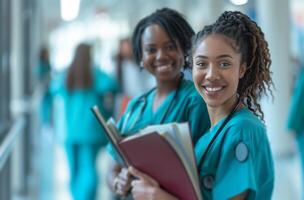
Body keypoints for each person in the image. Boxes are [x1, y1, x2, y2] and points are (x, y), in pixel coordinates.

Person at [125, 11, 275, 200]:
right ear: (192, 67)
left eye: (224, 63)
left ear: (242, 69)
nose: (211, 74)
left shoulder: (242, 130)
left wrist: (158, 196)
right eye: (202, 64)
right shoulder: (210, 135)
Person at [107, 8, 210, 198]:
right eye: (151, 50)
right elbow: (112, 168)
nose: (161, 56)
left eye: (170, 46)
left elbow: (204, 175)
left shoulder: (196, 101)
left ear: (185, 50)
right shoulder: (135, 107)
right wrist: (118, 182)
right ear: (140, 57)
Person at [50, 43, 118, 200]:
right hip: (90, 131)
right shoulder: (95, 74)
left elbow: (54, 90)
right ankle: (86, 197)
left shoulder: (66, 75)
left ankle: (77, 197)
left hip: (69, 131)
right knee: (88, 168)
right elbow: (113, 85)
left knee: (74, 169)